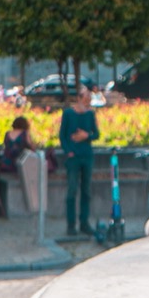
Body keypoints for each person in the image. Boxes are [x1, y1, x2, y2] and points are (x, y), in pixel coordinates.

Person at [59, 88, 98, 237]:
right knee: (72, 190)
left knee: (86, 191)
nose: (88, 101)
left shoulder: (90, 114)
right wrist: (68, 151)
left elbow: (96, 134)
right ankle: (71, 224)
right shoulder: (68, 114)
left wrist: (86, 135)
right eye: (86, 98)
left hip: (86, 155)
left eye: (89, 98)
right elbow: (62, 136)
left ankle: (84, 223)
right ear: (79, 98)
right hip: (73, 157)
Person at [0, 115, 44, 212]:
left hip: (6, 162)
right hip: (19, 163)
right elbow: (31, 147)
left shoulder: (8, 134)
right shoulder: (25, 134)